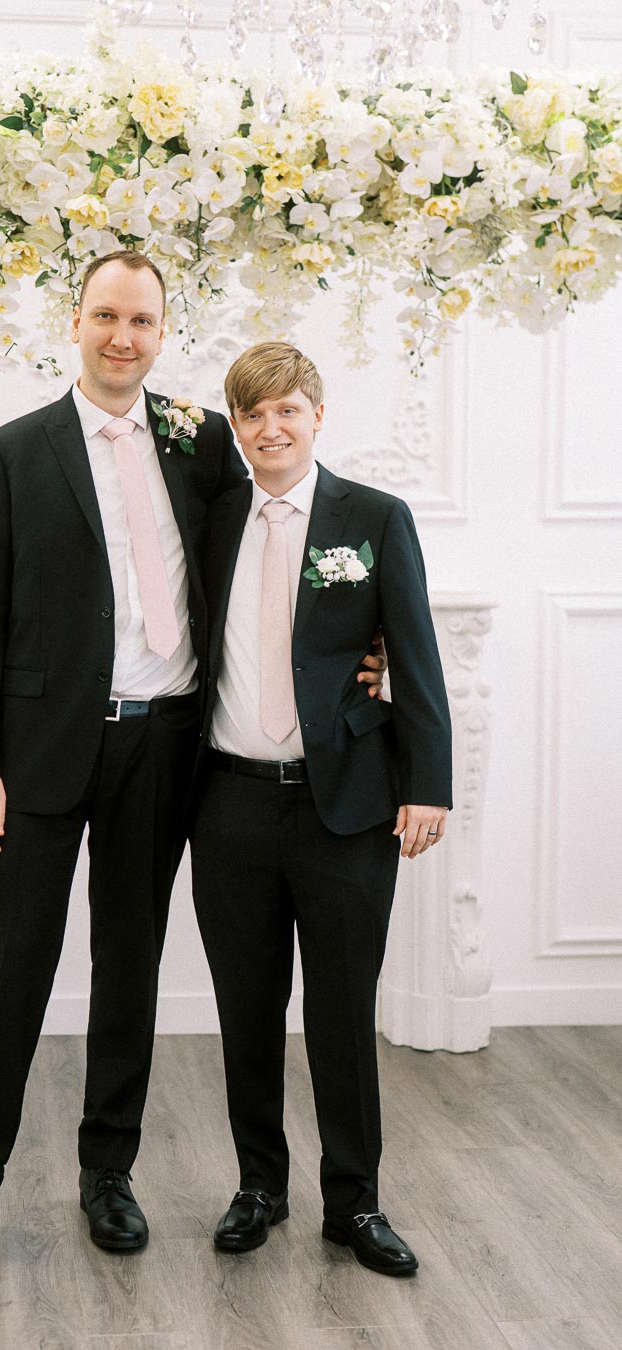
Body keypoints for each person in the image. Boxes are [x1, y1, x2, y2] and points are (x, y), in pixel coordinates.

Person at [0, 255, 385, 1284]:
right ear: (76, 321)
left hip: (165, 743)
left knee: (129, 963)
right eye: (106, 316)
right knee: (10, 969)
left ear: (163, 330)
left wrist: (372, 645)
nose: (122, 335)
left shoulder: (199, 441)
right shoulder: (14, 452)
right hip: (40, 755)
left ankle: (109, 1174)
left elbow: (282, 541)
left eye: (141, 319)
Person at [189, 341, 452, 1278]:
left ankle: (357, 1202)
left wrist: (428, 784)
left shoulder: (373, 518)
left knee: (342, 1012)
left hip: (346, 810)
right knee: (246, 1011)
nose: (271, 428)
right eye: (253, 414)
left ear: (317, 416)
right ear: (237, 425)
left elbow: (415, 655)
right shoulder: (212, 519)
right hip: (227, 806)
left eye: (287, 411)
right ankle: (259, 1185)